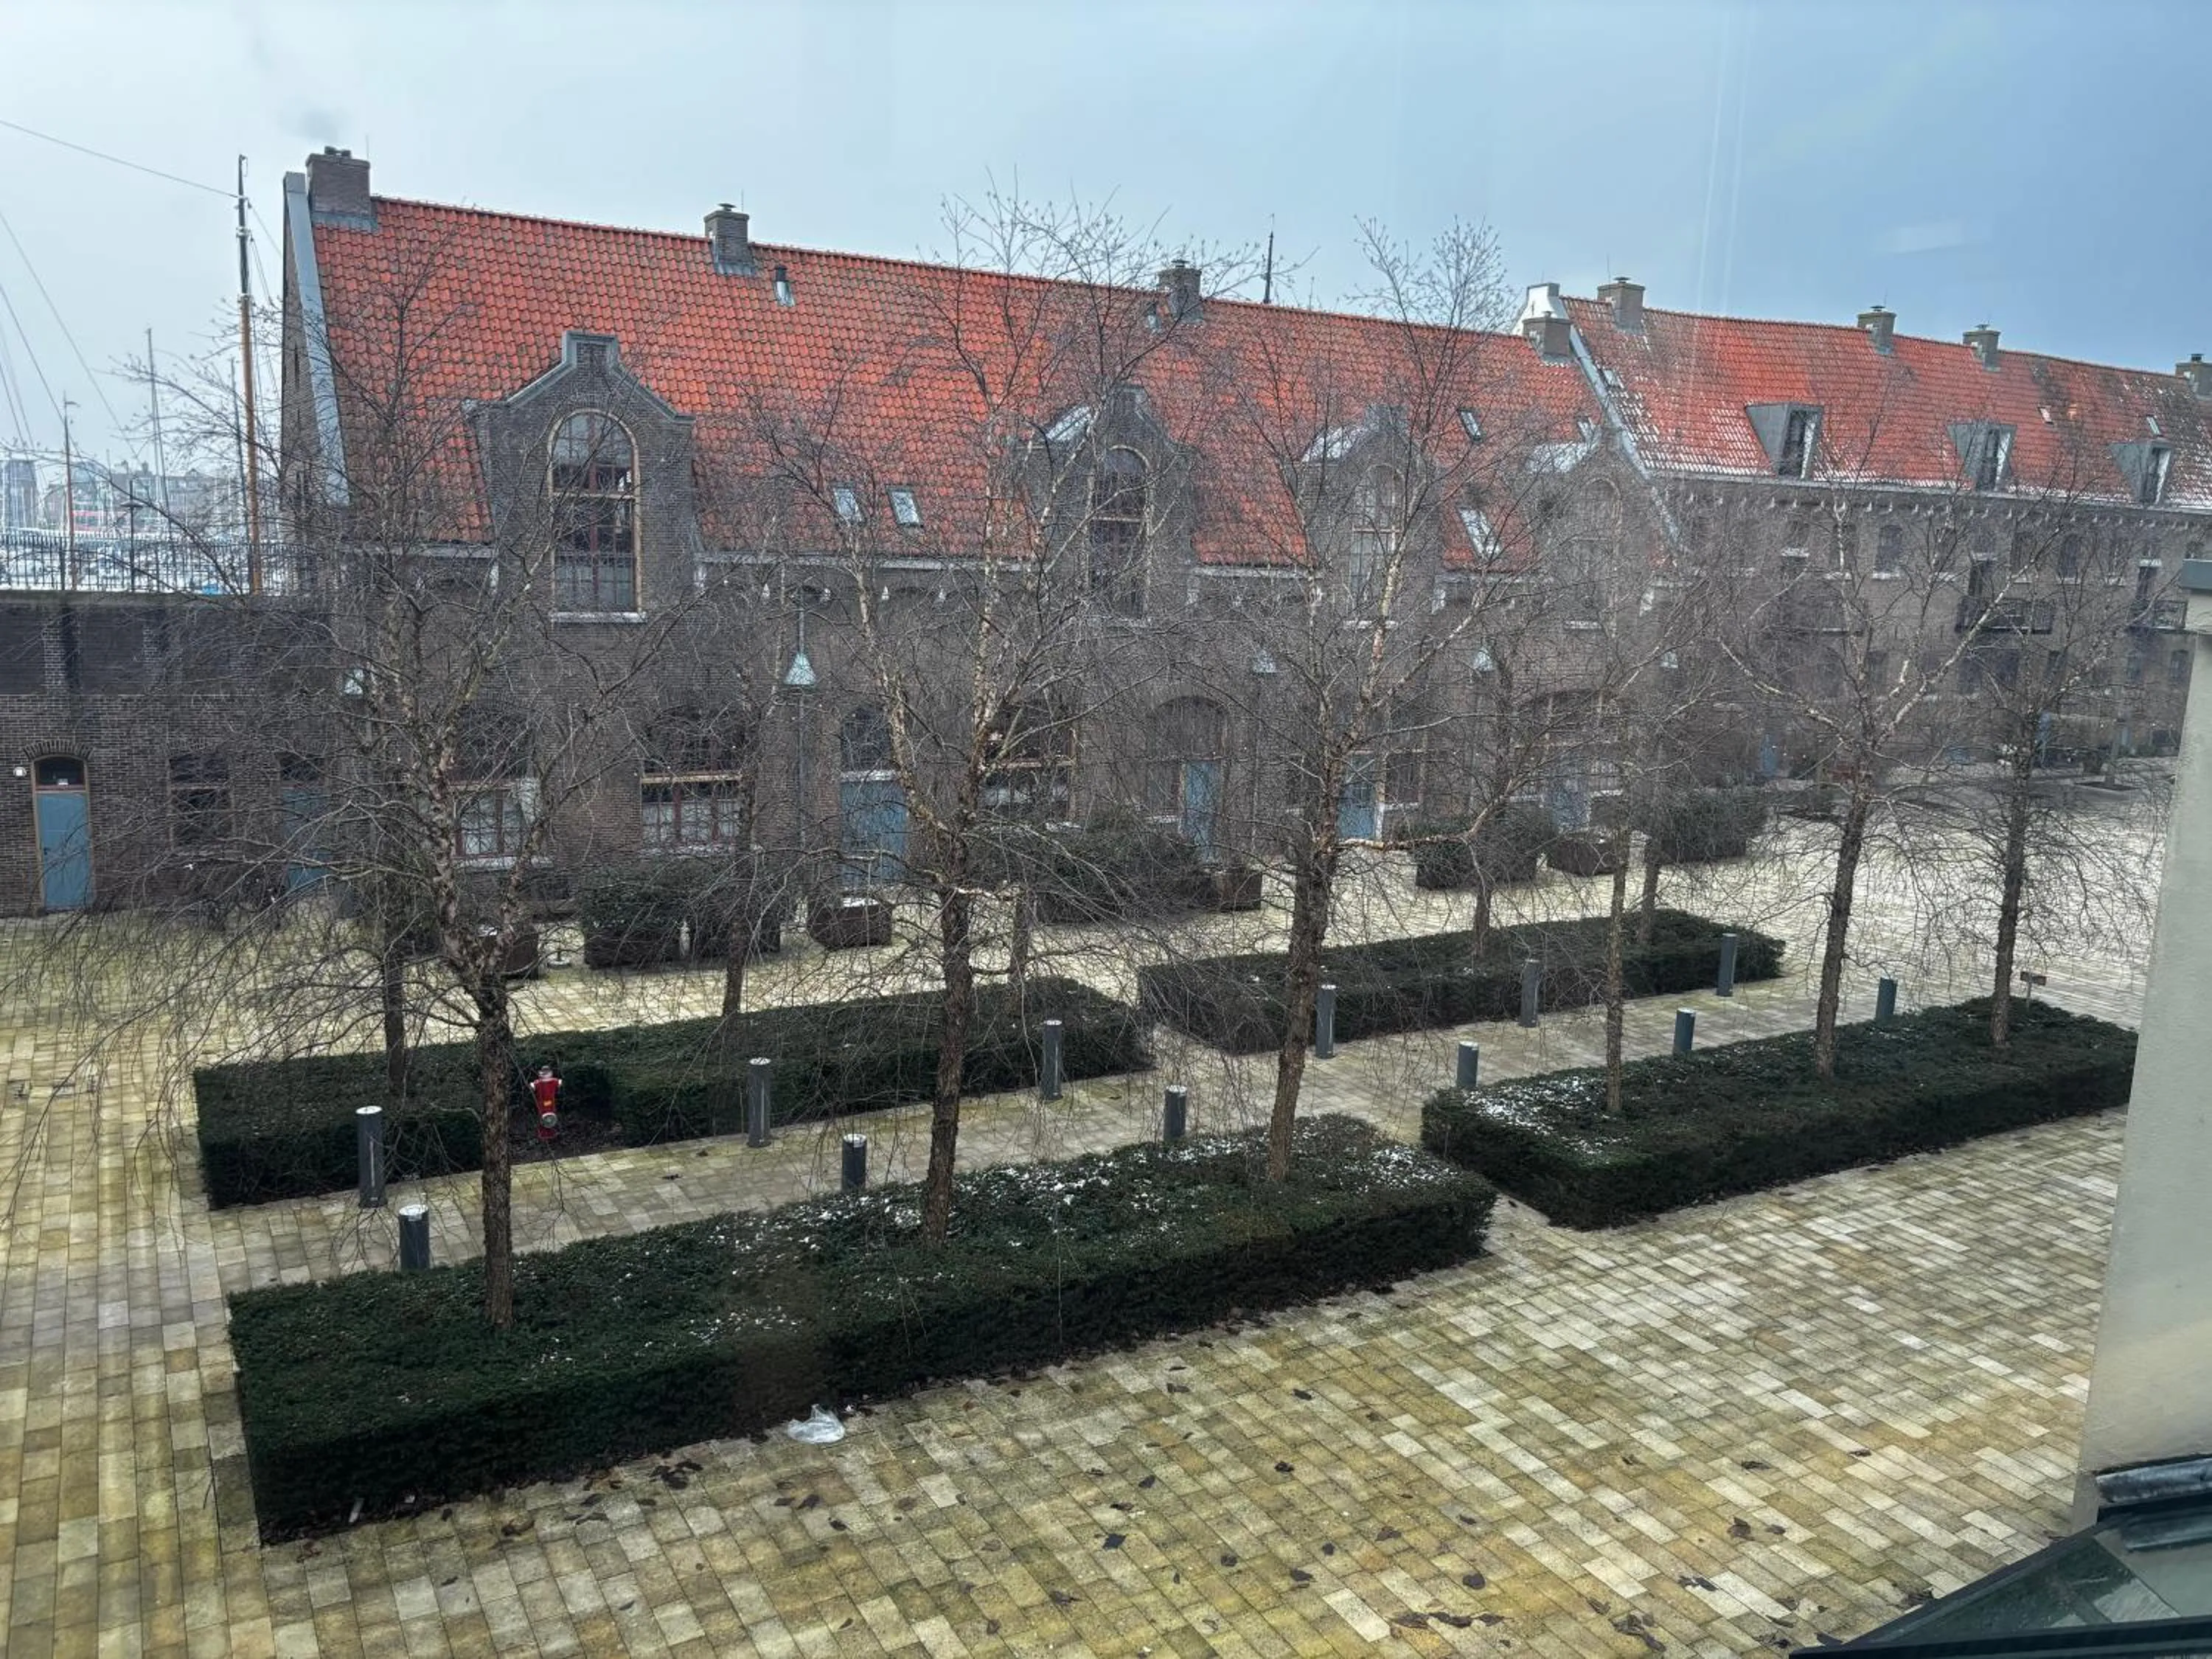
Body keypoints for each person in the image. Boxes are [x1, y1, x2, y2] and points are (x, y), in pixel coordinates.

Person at [532, 1063, 562, 1144]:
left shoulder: (538, 1083)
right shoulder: (553, 1081)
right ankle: (546, 1137)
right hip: (547, 1105)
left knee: (547, 1119)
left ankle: (547, 1136)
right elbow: (560, 1082)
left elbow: (532, 1086)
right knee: (548, 1119)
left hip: (544, 1105)